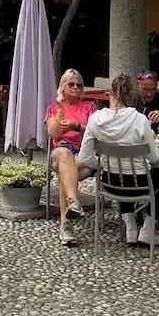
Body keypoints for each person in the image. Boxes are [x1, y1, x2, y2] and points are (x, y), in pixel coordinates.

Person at [78, 73, 159, 246]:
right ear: (132, 95)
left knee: (121, 174)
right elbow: (153, 158)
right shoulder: (140, 120)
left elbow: (84, 156)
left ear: (110, 93)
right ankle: (147, 229)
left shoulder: (95, 119)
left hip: (110, 182)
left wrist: (103, 165)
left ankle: (130, 227)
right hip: (140, 183)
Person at [46, 69, 97, 247]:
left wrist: (77, 126)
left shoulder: (89, 108)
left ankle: (65, 225)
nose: (76, 87)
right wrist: (60, 111)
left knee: (65, 172)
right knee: (64, 155)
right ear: (63, 87)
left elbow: (97, 134)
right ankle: (73, 202)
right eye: (71, 84)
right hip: (61, 153)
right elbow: (54, 133)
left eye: (79, 85)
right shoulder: (53, 108)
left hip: (84, 154)